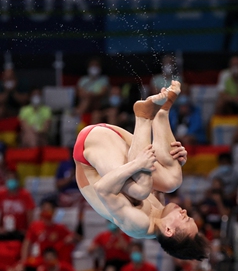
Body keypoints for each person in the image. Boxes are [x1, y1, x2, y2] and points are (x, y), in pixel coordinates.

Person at [74, 81, 209, 261]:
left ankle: (144, 118)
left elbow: (102, 189)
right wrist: (175, 160)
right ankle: (161, 113)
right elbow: (151, 161)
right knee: (172, 180)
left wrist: (137, 164)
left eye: (185, 219)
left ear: (168, 231)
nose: (185, 212)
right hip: (115, 142)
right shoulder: (161, 212)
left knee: (140, 188)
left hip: (90, 150)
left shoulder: (139, 225)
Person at [17, 200, 80, 271]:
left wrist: (71, 239)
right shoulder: (35, 226)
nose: (46, 212)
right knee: (18, 269)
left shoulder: (60, 228)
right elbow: (27, 244)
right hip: (41, 260)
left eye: (48, 210)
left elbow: (76, 238)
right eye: (44, 210)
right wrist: (23, 262)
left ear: (54, 212)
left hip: (56, 261)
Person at [0, 170, 35, 241]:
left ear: (17, 180)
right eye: (9, 179)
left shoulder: (25, 195)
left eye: (13, 179)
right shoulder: (0, 194)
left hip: (20, 231)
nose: (11, 181)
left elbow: (30, 213)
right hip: (4, 230)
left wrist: (28, 231)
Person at [76, 57, 110, 124]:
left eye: (96, 65)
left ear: (100, 67)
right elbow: (79, 93)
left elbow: (103, 92)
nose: (94, 67)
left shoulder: (104, 79)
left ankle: (77, 113)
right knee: (87, 99)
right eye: (92, 65)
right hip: (86, 103)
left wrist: (91, 95)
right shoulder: (83, 80)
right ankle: (78, 116)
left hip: (98, 104)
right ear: (88, 67)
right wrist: (89, 95)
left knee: (91, 101)